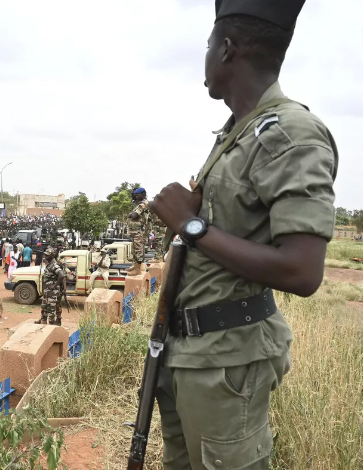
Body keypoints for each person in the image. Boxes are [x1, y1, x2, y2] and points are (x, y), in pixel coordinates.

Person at [149, 2, 335, 469]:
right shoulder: (238, 133)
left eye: (209, 46)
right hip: (189, 355)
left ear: (227, 50)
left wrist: (190, 226)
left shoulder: (291, 133)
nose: (205, 59)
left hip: (226, 362)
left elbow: (302, 269)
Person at [35, 247, 65, 326]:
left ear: (52, 256)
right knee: (44, 307)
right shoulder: (49, 263)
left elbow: (62, 275)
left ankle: (52, 326)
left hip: (52, 292)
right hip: (47, 291)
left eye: (47, 255)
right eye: (45, 255)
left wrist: (54, 285)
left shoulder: (54, 265)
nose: (45, 257)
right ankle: (43, 322)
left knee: (51, 310)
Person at [127, 188, 149, 276]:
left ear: (143, 194)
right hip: (135, 231)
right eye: (135, 195)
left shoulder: (143, 204)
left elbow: (135, 215)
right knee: (135, 249)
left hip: (139, 230)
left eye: (138, 195)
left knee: (138, 249)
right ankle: (135, 266)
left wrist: (131, 214)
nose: (136, 197)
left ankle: (138, 269)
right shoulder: (139, 203)